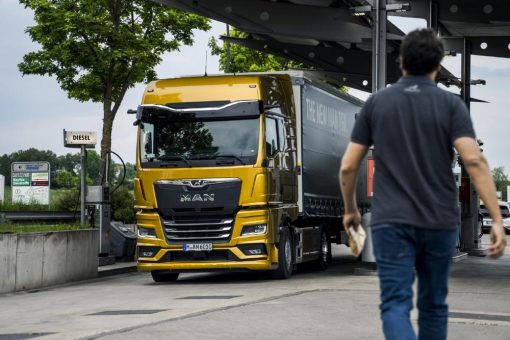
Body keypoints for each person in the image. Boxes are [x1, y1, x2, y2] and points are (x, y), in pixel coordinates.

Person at [339, 28, 506, 340]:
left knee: (395, 304)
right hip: (439, 221)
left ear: (401, 62)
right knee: (433, 306)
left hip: (392, 222)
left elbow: (349, 166)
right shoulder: (451, 105)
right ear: (437, 67)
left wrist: (351, 211)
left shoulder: (376, 104)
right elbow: (474, 161)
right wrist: (495, 219)